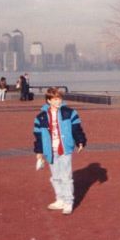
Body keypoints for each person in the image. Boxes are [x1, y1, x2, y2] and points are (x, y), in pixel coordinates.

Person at [33, 87, 87, 215]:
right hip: (50, 150)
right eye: (55, 99)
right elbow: (38, 136)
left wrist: (80, 141)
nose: (58, 101)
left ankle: (68, 202)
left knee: (66, 176)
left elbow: (77, 128)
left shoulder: (69, 113)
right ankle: (60, 199)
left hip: (65, 149)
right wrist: (39, 152)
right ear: (49, 100)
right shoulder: (40, 117)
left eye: (59, 99)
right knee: (55, 177)